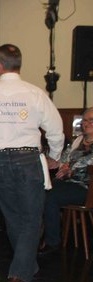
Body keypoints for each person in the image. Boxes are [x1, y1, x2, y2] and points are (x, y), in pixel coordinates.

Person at [0, 44, 63, 282]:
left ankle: (28, 268)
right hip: (27, 159)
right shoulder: (35, 93)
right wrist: (55, 155)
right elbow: (55, 129)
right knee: (31, 219)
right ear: (18, 64)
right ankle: (19, 277)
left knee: (13, 219)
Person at [41, 107, 93, 256]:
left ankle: (52, 242)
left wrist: (72, 168)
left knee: (51, 196)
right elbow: (64, 158)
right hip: (68, 184)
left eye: (91, 120)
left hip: (87, 188)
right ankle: (36, 235)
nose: (87, 123)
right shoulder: (78, 140)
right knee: (40, 189)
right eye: (85, 120)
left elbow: (88, 163)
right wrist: (61, 165)